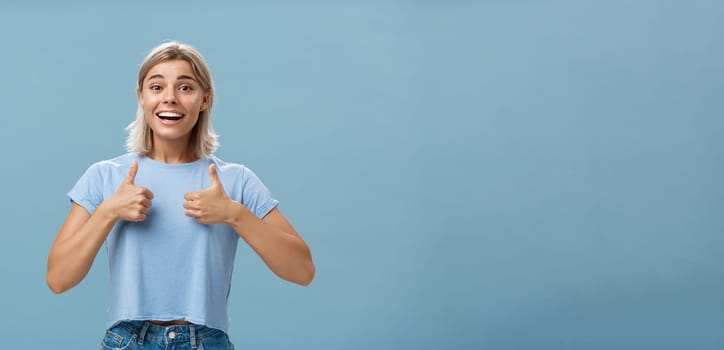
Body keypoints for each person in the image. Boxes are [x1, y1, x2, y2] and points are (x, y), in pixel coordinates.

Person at [46, 41, 315, 350]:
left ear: (204, 99)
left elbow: (302, 271)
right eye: (157, 87)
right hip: (127, 341)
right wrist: (108, 212)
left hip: (206, 341)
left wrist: (234, 214)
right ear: (142, 97)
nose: (170, 98)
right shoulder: (105, 177)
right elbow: (58, 279)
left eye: (185, 88)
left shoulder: (235, 180)